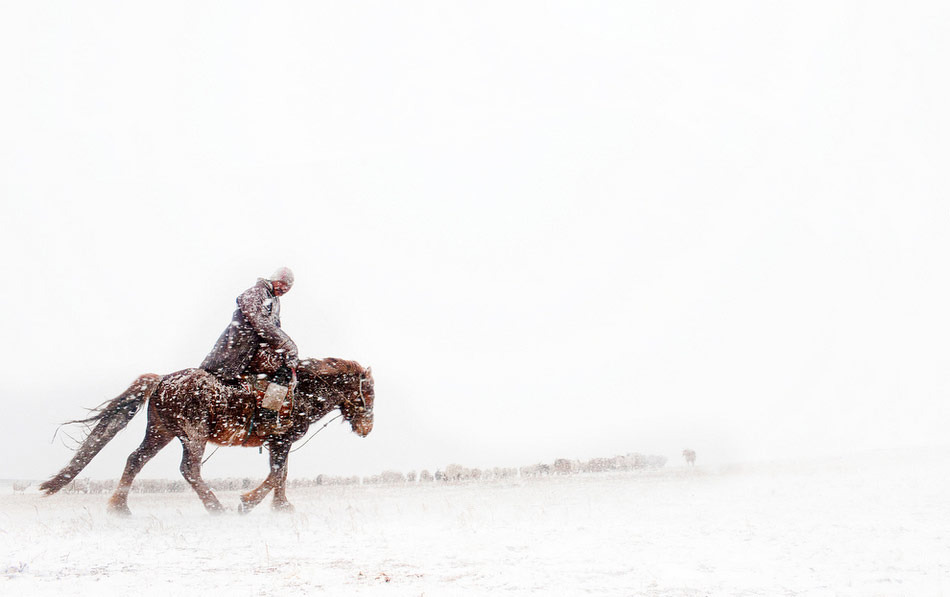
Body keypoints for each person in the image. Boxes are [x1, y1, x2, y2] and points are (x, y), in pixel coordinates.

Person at [201, 268, 299, 422]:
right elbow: (261, 323)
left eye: (288, 287)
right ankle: (267, 415)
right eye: (282, 283)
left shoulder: (274, 300)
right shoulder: (257, 293)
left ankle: (263, 406)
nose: (284, 289)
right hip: (238, 349)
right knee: (283, 371)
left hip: (253, 349)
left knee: (285, 368)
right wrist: (288, 345)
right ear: (274, 279)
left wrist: (282, 347)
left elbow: (275, 328)